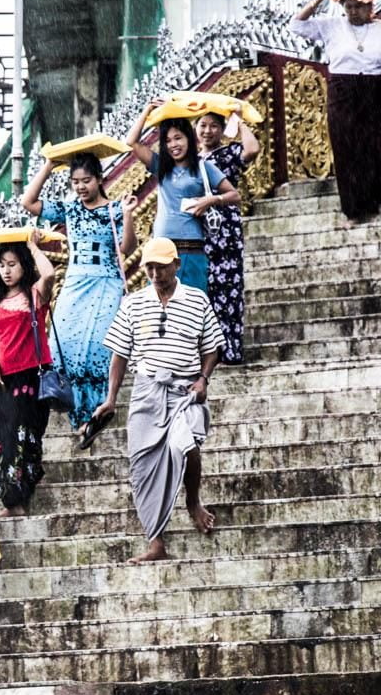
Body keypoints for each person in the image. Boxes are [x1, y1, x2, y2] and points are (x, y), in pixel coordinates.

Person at [93, 237, 225, 563]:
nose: (155, 273)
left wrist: (203, 379)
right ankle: (156, 542)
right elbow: (119, 354)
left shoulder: (196, 300)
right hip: (146, 391)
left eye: (161, 267)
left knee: (186, 447)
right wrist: (110, 399)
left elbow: (211, 346)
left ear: (176, 265)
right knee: (143, 467)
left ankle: (192, 501)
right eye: (150, 267)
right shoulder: (133, 303)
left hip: (184, 391)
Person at [20, 153, 138, 438]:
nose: (81, 187)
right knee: (64, 347)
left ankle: (99, 410)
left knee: (100, 346)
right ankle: (79, 417)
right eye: (75, 182)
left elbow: (127, 248)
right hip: (75, 282)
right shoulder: (69, 210)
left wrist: (129, 214)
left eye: (86, 180)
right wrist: (49, 166)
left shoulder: (114, 209)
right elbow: (29, 203)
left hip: (106, 283)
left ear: (99, 179)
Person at [290, 0, 381, 227]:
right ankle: (353, 210)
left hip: (373, 88)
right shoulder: (331, 26)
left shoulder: (380, 28)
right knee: (346, 146)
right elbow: (296, 25)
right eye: (349, 7)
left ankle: (377, 200)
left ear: (370, 6)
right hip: (343, 89)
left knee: (374, 143)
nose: (354, 11)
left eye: (359, 6)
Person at [126, 105, 239, 293]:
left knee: (192, 304)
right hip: (162, 246)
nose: (173, 145)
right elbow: (131, 141)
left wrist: (210, 201)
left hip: (191, 246)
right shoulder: (160, 165)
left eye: (178, 138)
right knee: (159, 305)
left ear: (189, 138)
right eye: (168, 141)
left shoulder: (204, 167)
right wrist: (147, 110)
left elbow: (235, 195)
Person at [0, 231, 55, 517]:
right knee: (4, 439)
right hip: (2, 380)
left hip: (30, 377)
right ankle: (12, 500)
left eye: (12, 264)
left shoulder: (33, 295)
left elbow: (48, 275)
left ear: (23, 265)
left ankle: (22, 496)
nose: (6, 271)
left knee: (26, 437)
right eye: (1, 265)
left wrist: (33, 246)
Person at [195, 108, 261, 364]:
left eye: (214, 126)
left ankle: (230, 348)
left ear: (222, 130)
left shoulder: (229, 153)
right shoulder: (190, 159)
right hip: (199, 228)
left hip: (226, 227)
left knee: (229, 288)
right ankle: (206, 352)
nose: (207, 131)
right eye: (202, 125)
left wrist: (239, 121)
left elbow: (252, 150)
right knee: (205, 290)